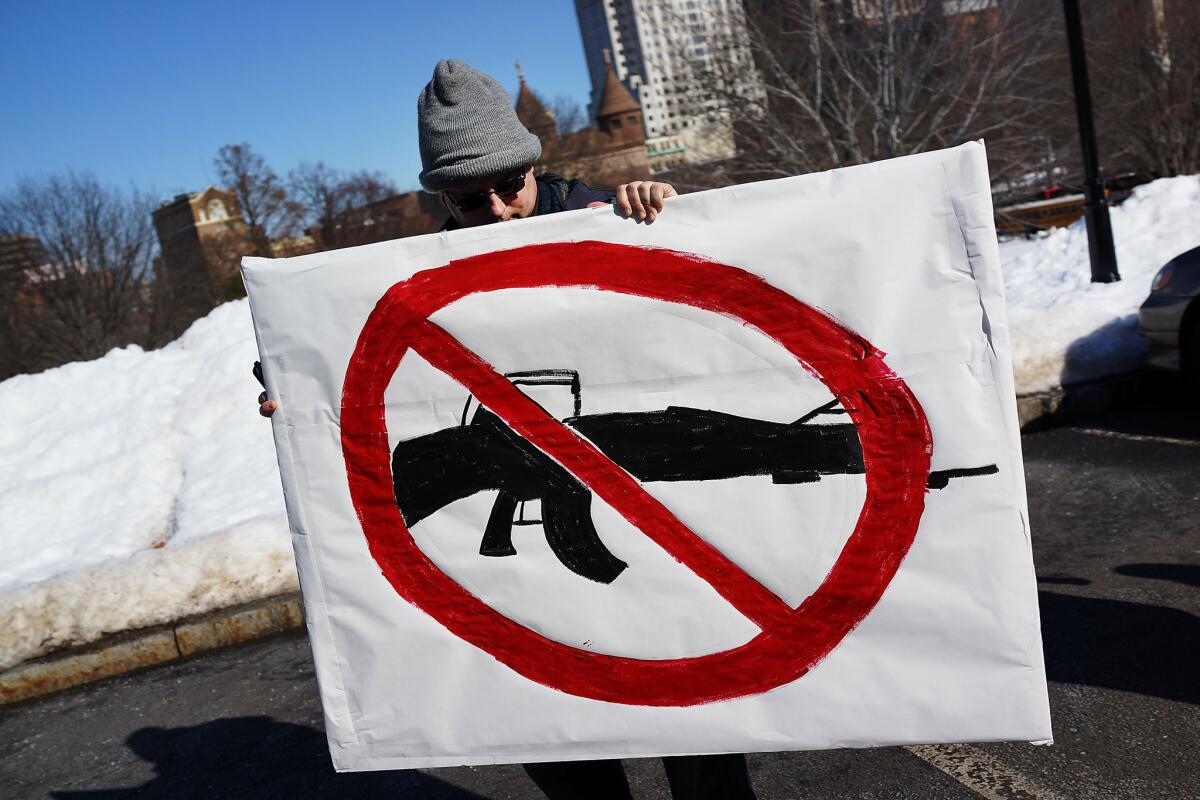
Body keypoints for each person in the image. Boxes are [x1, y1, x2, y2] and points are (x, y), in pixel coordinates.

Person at [258, 59, 756, 800]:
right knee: (564, 749)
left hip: (640, 542)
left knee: (702, 750)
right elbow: (333, 350)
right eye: (468, 196)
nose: (495, 210)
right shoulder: (409, 275)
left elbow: (713, 320)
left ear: (535, 166)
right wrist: (289, 384)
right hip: (518, 573)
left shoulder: (606, 216)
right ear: (441, 197)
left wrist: (662, 212)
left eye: (509, 187)